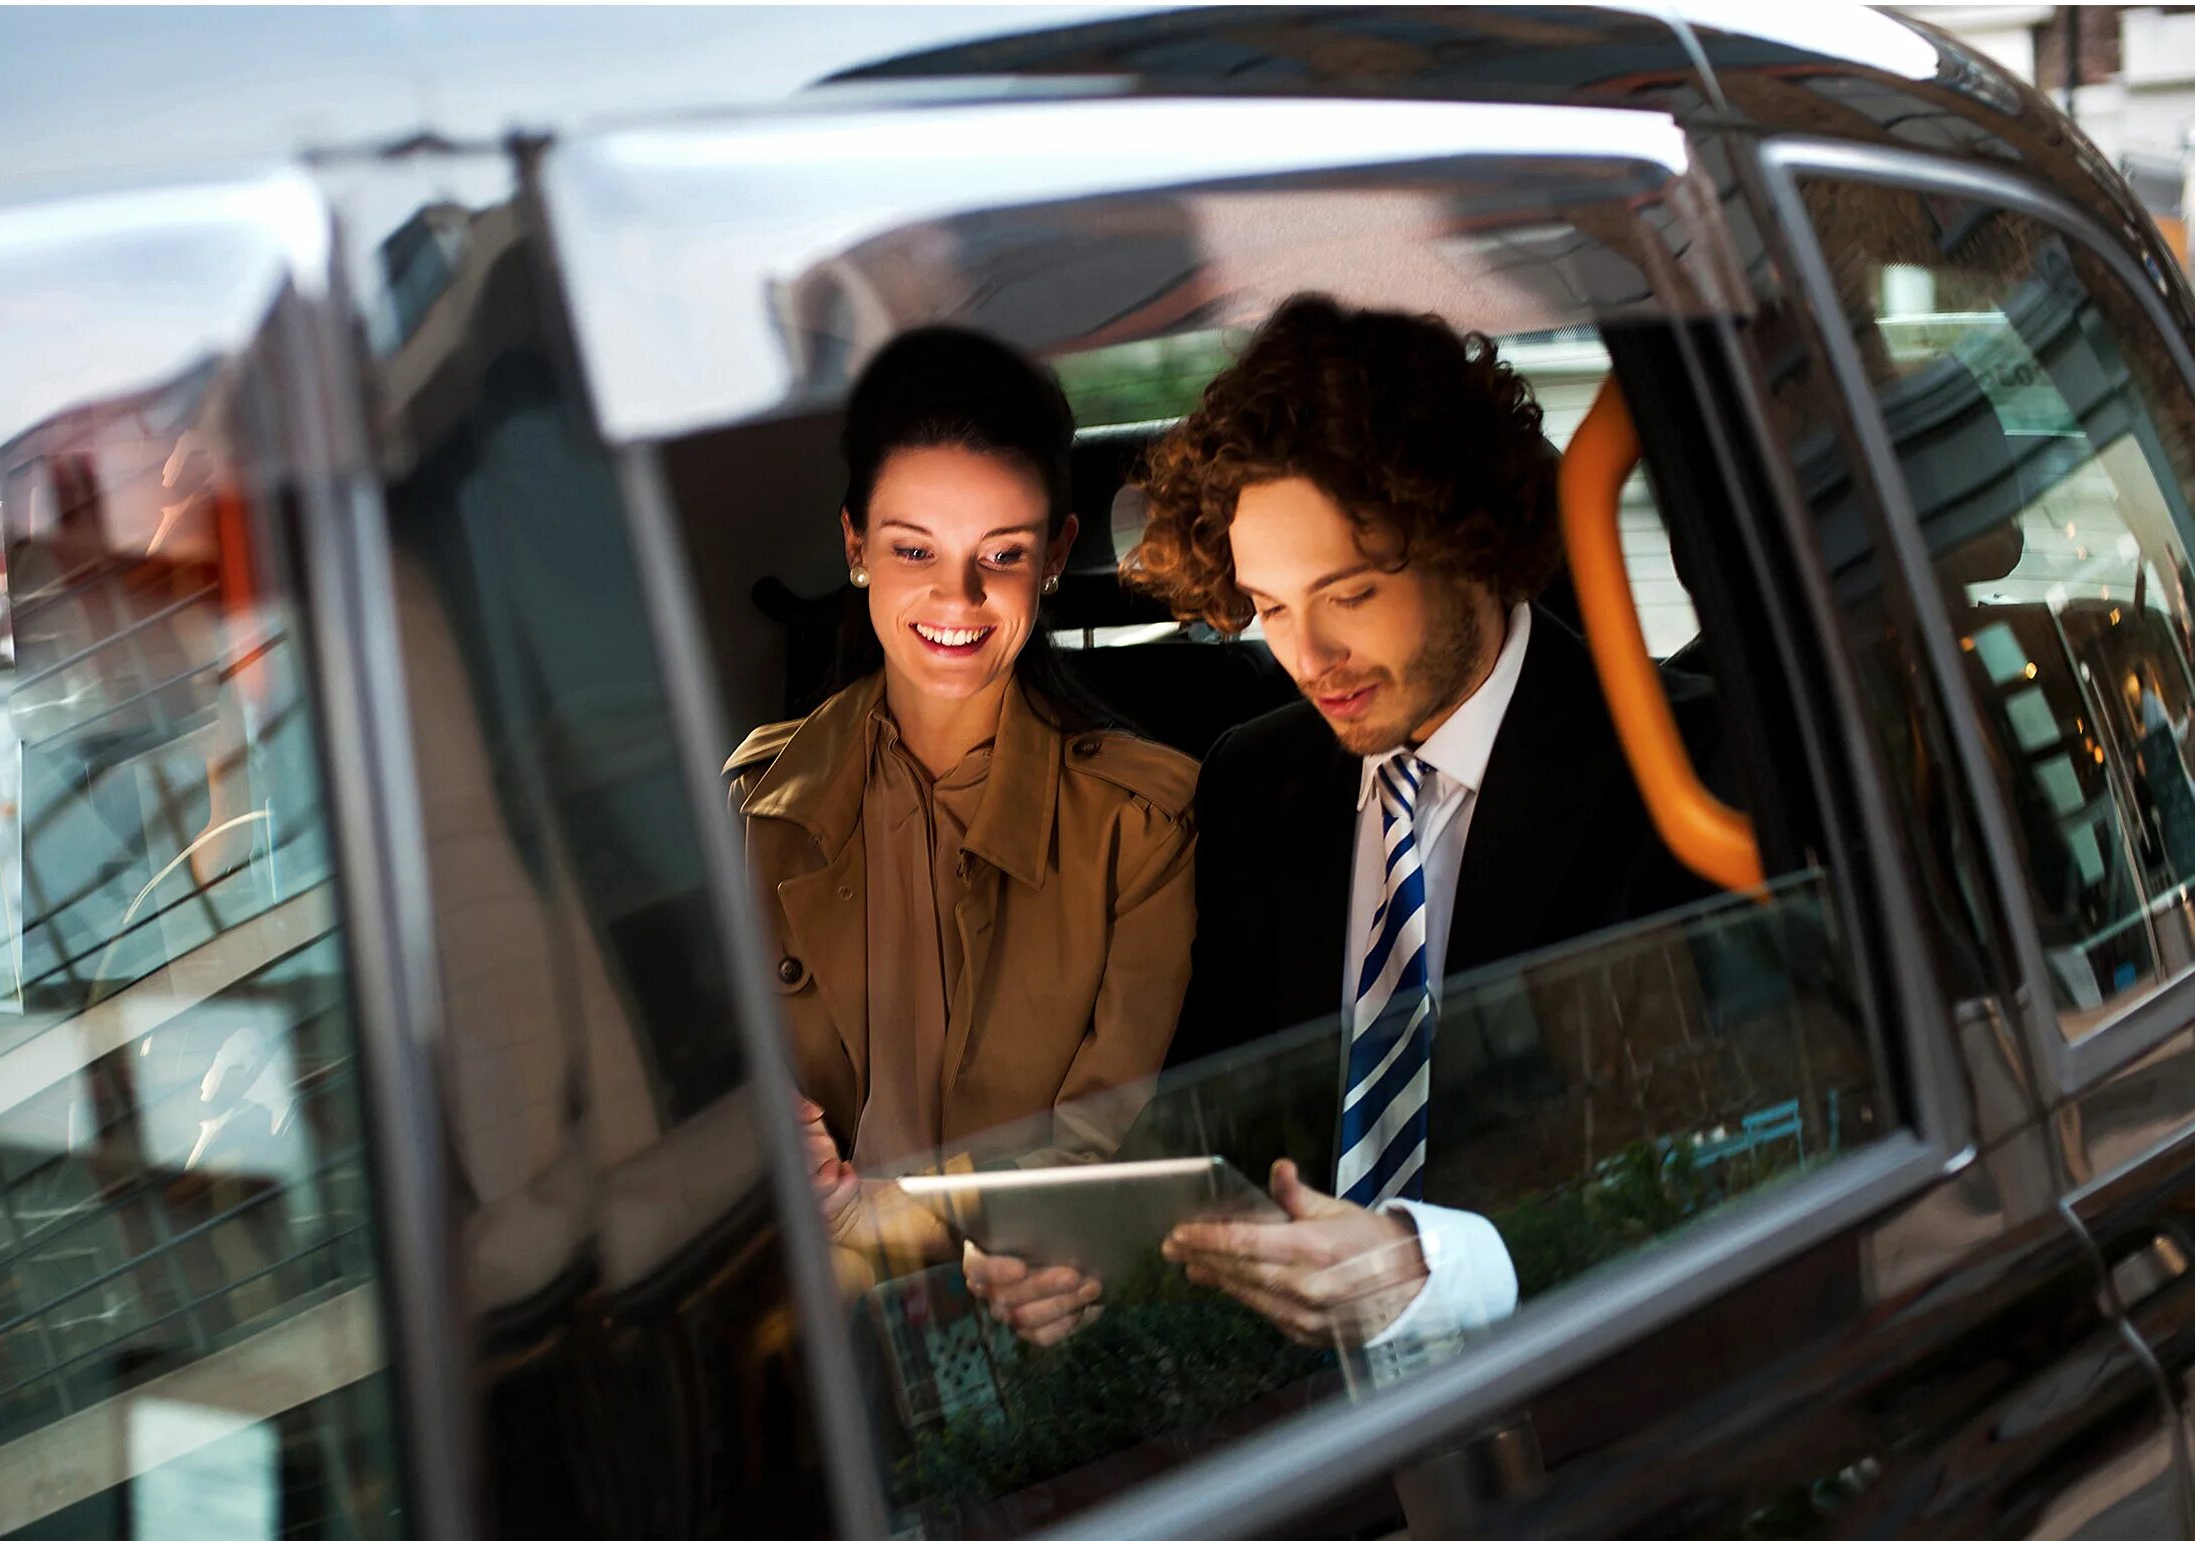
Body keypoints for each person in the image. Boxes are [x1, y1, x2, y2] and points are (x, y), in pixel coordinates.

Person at [1120, 296, 1718, 1353]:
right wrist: (1103, 1259)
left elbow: (1729, 1150)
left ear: (1464, 537)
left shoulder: (1680, 771)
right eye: (1268, 606)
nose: (1306, 656)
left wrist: (1439, 1266)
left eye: (1348, 592)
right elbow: (1212, 1121)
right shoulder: (1253, 785)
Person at [726, 327, 1200, 1342]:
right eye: (913, 550)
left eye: (1003, 555)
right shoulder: (751, 806)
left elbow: (1097, 1149)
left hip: (1035, 1307)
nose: (957, 598)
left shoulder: (1146, 822)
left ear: (1059, 555)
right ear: (855, 545)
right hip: (812, 1326)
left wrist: (892, 1220)